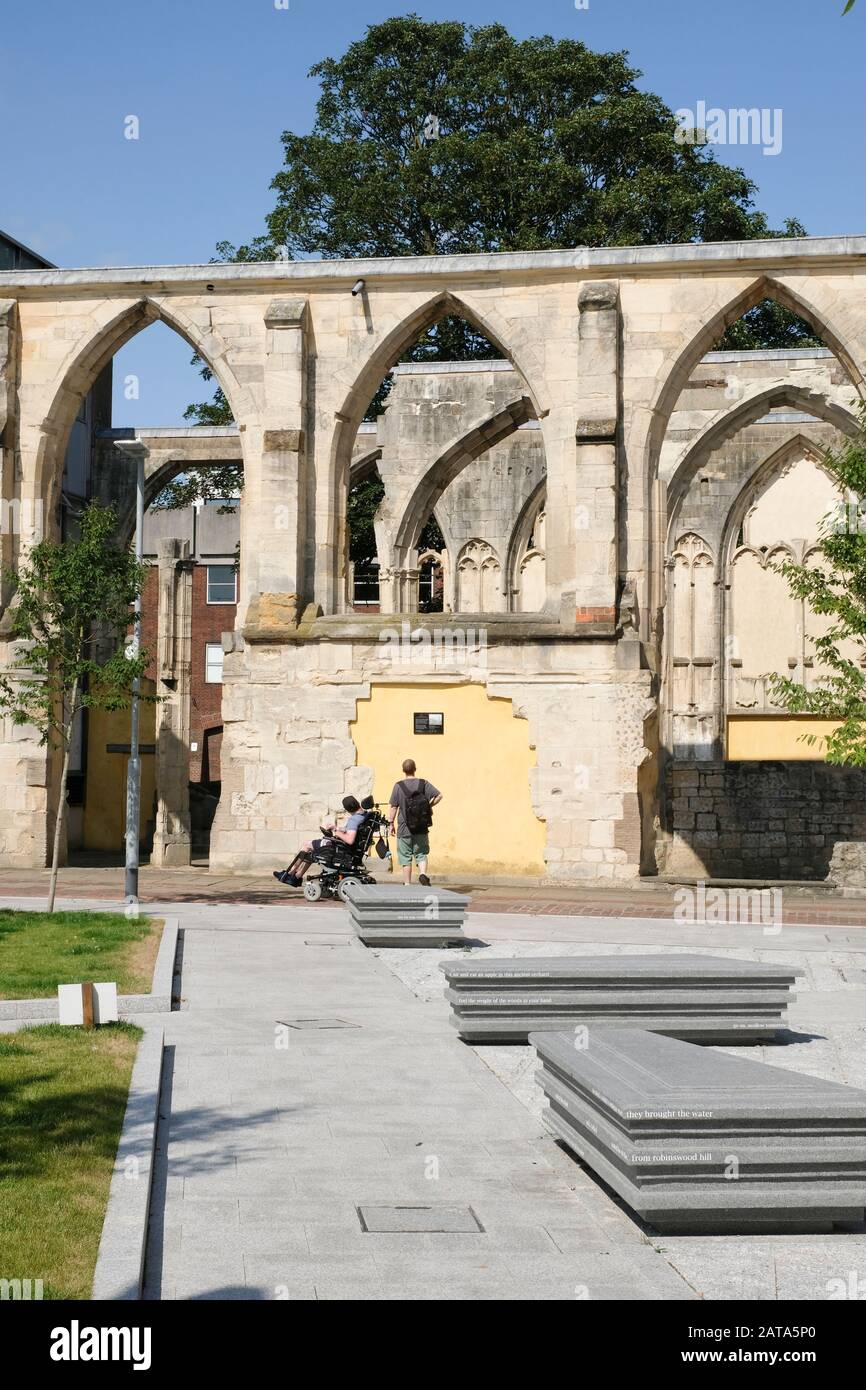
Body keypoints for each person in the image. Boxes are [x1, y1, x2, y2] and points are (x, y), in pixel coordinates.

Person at [274, 795, 366, 887]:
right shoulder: (364, 815)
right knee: (312, 850)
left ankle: (290, 873)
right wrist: (336, 828)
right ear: (357, 803)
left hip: (341, 848)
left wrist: (336, 832)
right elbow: (351, 831)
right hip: (347, 848)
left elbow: (350, 840)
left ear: (348, 809)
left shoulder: (354, 819)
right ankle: (297, 876)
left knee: (307, 845)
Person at [388, 759, 442, 885]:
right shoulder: (423, 783)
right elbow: (439, 795)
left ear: (403, 770)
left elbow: (393, 807)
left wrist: (390, 823)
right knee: (421, 853)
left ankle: (407, 884)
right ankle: (422, 874)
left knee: (405, 856)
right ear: (415, 769)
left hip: (404, 827)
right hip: (421, 826)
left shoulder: (398, 786)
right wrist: (428, 806)